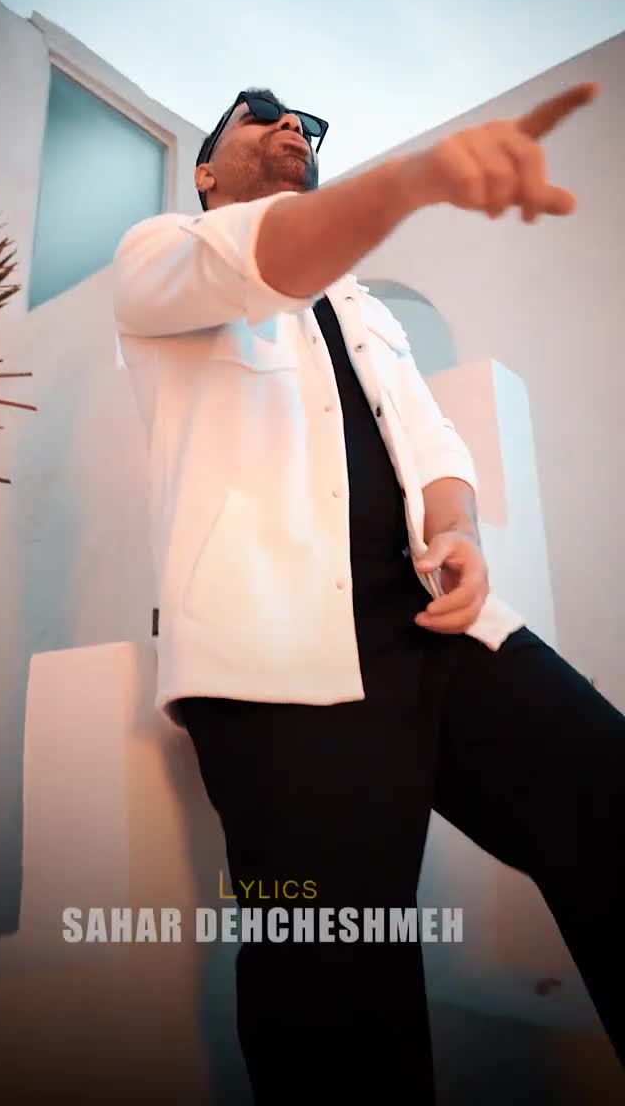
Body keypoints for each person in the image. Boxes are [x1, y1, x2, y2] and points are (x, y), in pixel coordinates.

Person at [113, 83, 624, 1102]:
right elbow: (265, 259)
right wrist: (416, 179)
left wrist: (459, 528)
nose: (290, 125)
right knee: (337, 978)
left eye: (305, 122)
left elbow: (433, 439)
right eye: (260, 111)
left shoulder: (362, 307)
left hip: (436, 621)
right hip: (272, 654)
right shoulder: (159, 250)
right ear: (204, 169)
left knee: (608, 800)